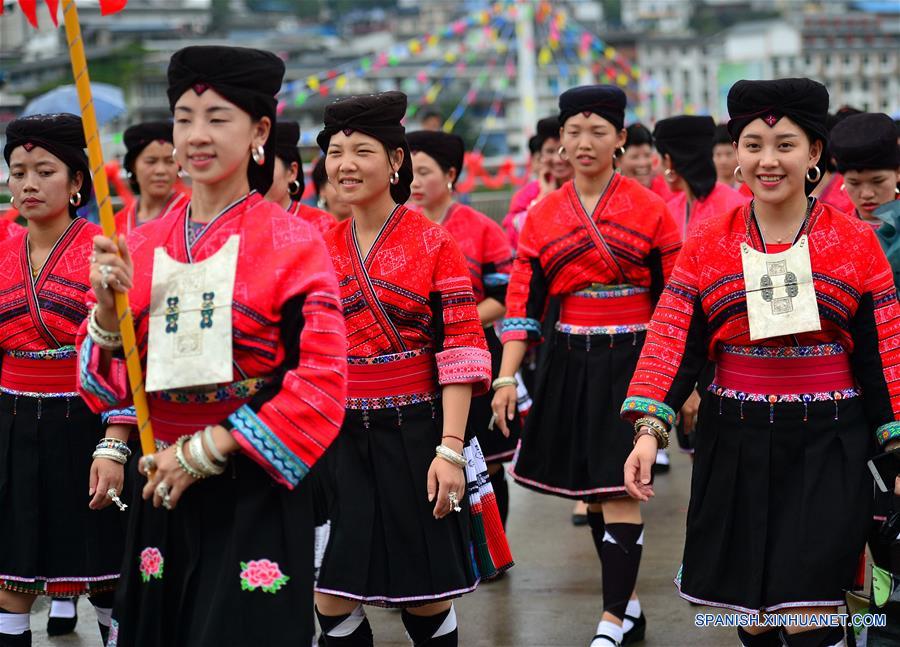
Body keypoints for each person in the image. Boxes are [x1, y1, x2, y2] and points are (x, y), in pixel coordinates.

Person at [77, 45, 347, 647]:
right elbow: (105, 387)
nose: (197, 135)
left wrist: (206, 450)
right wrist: (106, 312)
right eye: (184, 118)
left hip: (253, 485)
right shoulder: (139, 244)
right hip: (159, 485)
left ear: (260, 132)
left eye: (217, 118)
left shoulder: (294, 244)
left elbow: (321, 381)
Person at [622, 78, 900, 647]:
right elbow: (674, 338)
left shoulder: (855, 241)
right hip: (735, 442)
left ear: (815, 152)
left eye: (785, 145)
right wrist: (649, 432)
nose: (767, 160)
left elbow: (884, 354)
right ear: (736, 153)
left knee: (809, 613)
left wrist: (896, 446)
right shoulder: (708, 241)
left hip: (830, 444)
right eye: (753, 145)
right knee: (750, 613)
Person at [492, 85, 681, 647]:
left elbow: (674, 300)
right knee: (598, 489)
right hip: (571, 358)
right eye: (573, 132)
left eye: (598, 131)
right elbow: (523, 301)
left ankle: (609, 621)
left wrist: (684, 379)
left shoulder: (651, 209)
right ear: (559, 140)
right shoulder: (543, 216)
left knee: (620, 487)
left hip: (636, 359)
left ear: (620, 138)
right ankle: (629, 608)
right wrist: (506, 375)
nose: (584, 142)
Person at [314, 91, 492, 647]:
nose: (345, 165)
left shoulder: (434, 241)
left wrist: (450, 450)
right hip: (339, 438)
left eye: (361, 151)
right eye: (336, 152)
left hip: (416, 434)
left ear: (395, 160)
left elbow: (461, 351)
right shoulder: (321, 245)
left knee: (425, 593)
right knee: (331, 592)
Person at [1, 113, 128, 647]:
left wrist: (114, 445)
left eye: (45, 171)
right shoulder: (1, 247)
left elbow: (128, 356)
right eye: (18, 172)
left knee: (105, 575)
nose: (28, 183)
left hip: (86, 423)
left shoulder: (107, 249)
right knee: (11, 580)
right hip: (11, 424)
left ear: (77, 181)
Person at [407, 129, 518, 527]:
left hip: (475, 351)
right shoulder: (403, 228)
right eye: (410, 173)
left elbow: (503, 296)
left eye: (424, 172)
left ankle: (492, 542)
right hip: (422, 358)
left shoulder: (481, 227)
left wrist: (456, 322)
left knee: (487, 458)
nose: (415, 182)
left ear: (451, 174)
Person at [831, 112, 900, 646]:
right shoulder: (834, 232)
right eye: (855, 184)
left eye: (878, 181)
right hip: (852, 400)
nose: (867, 194)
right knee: (866, 521)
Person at [502, 116, 573, 251]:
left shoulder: (588, 189)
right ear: (540, 156)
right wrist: (543, 198)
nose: (558, 160)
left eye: (563, 151)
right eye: (550, 151)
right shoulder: (526, 195)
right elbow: (515, 239)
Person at [115, 121, 187, 235]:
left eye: (169, 161)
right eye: (151, 161)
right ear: (133, 166)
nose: (161, 170)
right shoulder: (117, 223)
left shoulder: (192, 215)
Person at [265, 121, 336, 235]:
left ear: (292, 172)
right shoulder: (240, 224)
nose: (257, 175)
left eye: (266, 166)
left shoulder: (322, 224)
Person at [311, 156, 353, 222]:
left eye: (349, 182)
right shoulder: (309, 226)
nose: (343, 192)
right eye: (337, 182)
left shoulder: (369, 225)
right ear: (322, 190)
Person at [712, 123, 740, 189]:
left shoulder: (751, 190)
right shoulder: (705, 191)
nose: (723, 161)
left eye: (729, 154)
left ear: (738, 154)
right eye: (718, 154)